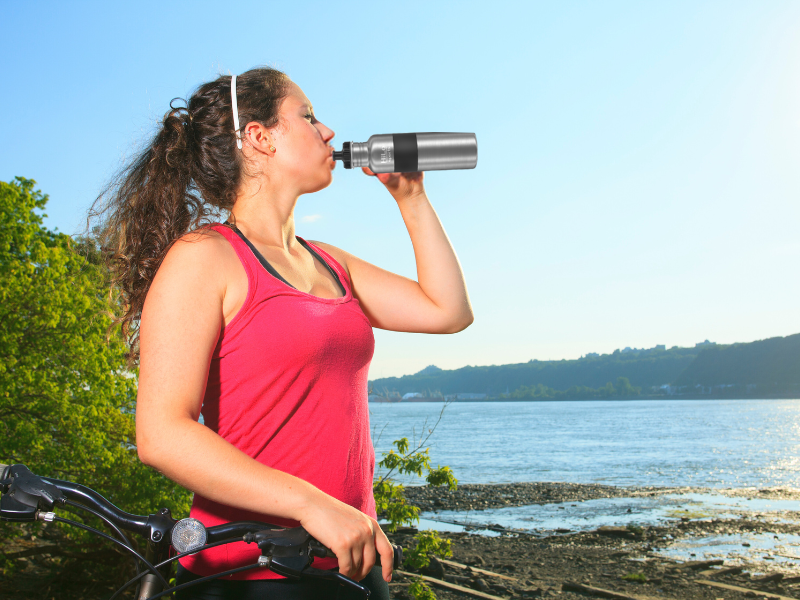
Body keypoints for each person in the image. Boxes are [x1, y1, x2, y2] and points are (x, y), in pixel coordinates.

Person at [95, 66, 473, 599]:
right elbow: (161, 435)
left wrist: (411, 198)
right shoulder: (204, 259)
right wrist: (311, 504)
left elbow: (448, 310)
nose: (327, 132)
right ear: (259, 137)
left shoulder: (329, 262)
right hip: (250, 573)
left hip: (346, 560)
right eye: (309, 116)